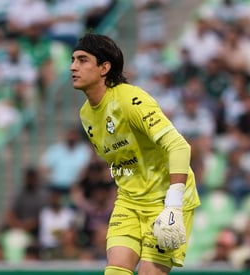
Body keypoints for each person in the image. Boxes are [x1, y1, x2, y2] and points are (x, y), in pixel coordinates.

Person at [70, 33, 200, 275]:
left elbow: (180, 146)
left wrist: (173, 205)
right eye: (73, 60)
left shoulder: (131, 100)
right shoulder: (86, 114)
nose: (72, 66)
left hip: (165, 202)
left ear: (104, 67)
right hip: (129, 201)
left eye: (82, 60)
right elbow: (121, 161)